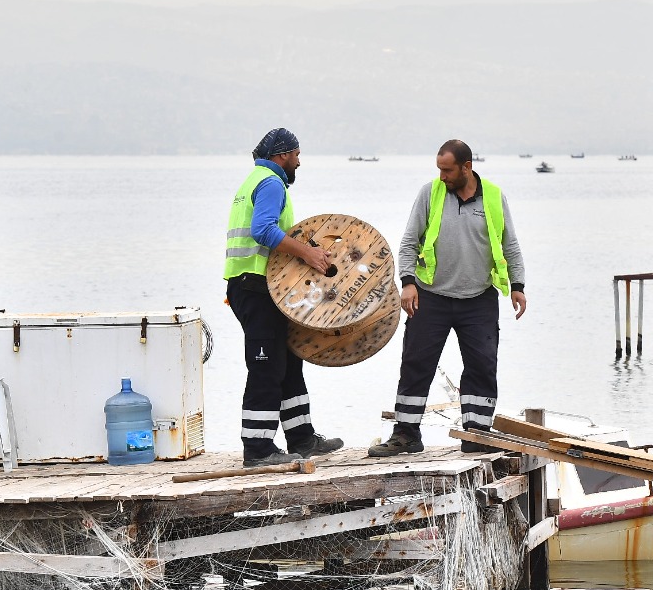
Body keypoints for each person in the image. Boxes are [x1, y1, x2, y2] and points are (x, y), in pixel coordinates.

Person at [367, 139, 526, 457]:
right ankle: (406, 435)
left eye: (448, 170)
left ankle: (477, 434)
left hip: (479, 299)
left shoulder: (494, 197)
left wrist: (518, 285)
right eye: (439, 169)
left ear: (467, 167)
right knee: (416, 365)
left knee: (482, 366)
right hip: (431, 298)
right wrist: (408, 282)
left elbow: (510, 244)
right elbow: (409, 240)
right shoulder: (430, 193)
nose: (442, 175)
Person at [224, 127, 343, 468]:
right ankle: (258, 449)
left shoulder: (256, 180)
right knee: (267, 366)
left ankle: (302, 438)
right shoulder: (271, 183)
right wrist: (307, 254)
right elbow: (262, 230)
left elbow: (274, 238)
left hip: (256, 287)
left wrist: (306, 249)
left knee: (289, 360)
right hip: (255, 288)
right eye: (296, 155)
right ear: (281, 155)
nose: (299, 162)